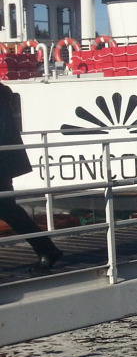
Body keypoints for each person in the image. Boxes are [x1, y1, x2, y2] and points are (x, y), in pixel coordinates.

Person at [0, 82, 61, 269]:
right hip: (4, 163)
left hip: (2, 163)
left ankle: (47, 250)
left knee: (10, 210)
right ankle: (47, 249)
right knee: (10, 210)